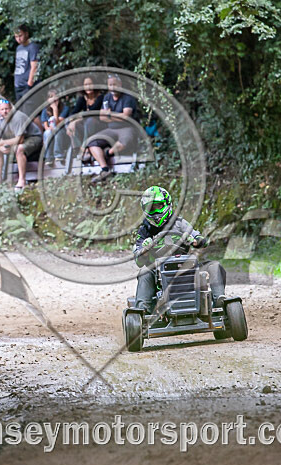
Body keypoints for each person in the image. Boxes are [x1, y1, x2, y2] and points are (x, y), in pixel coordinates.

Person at [132, 186, 226, 314]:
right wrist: (146, 248)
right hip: (158, 269)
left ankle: (219, 300)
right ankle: (142, 310)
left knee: (215, 266)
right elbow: (138, 260)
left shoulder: (180, 223)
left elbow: (201, 240)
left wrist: (193, 240)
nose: (155, 211)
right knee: (144, 272)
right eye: (151, 208)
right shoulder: (144, 230)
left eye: (158, 206)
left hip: (186, 264)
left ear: (167, 204)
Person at [86, 74, 137, 184]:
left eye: (114, 84)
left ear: (120, 84)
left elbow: (126, 117)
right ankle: (105, 169)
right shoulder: (107, 97)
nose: (112, 87)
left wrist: (110, 116)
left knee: (125, 142)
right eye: (110, 85)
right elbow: (101, 117)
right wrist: (115, 117)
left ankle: (108, 153)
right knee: (92, 142)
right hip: (110, 129)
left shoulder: (127, 97)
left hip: (126, 128)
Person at [0, 99, 43, 192]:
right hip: (12, 140)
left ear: (11, 109)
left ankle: (21, 180)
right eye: (2, 109)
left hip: (32, 137)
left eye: (7, 109)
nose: (5, 111)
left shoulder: (18, 117)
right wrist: (1, 146)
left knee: (19, 149)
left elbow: (20, 140)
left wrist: (3, 143)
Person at [66, 76, 103, 157]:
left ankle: (84, 146)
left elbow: (92, 113)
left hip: (98, 125)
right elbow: (74, 112)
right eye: (86, 84)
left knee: (88, 121)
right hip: (86, 124)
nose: (88, 87)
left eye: (90, 84)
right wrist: (71, 122)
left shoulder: (100, 97)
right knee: (70, 123)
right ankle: (77, 148)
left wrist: (76, 120)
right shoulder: (82, 98)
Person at [40, 89, 70, 165]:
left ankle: (58, 155)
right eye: (51, 97)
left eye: (55, 96)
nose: (53, 99)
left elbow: (58, 124)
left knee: (57, 130)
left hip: (63, 132)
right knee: (47, 132)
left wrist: (55, 110)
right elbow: (46, 127)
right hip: (50, 132)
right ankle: (48, 157)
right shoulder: (45, 111)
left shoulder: (65, 108)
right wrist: (50, 129)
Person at [13, 24, 40, 101]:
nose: (18, 39)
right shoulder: (18, 48)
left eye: (20, 36)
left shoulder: (32, 47)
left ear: (26, 34)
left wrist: (30, 83)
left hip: (27, 85)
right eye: (16, 37)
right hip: (18, 85)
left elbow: (34, 66)